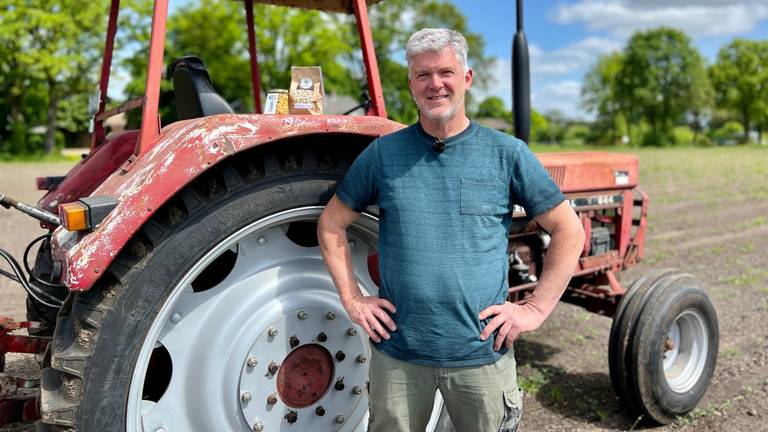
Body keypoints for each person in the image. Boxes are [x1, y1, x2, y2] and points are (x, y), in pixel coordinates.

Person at [317, 28, 585, 432]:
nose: (435, 84)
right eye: (423, 75)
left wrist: (533, 309)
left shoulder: (506, 154)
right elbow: (331, 224)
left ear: (467, 78)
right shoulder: (384, 154)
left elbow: (569, 231)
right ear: (411, 85)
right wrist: (353, 299)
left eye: (445, 72)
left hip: (481, 356)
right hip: (399, 358)